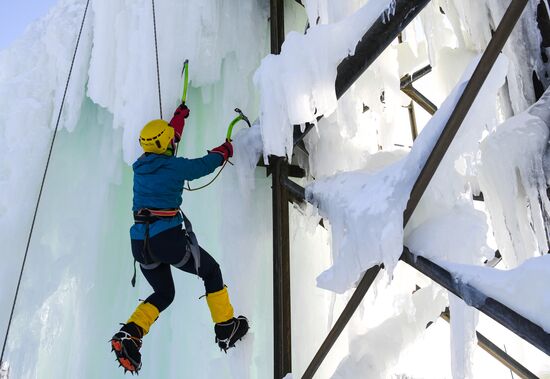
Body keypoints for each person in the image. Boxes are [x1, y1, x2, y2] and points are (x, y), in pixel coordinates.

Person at [110, 103, 249, 374]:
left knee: (164, 293)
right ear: (164, 145)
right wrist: (224, 151)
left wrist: (179, 117)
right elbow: (202, 166)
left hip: (140, 244)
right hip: (167, 239)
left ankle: (130, 334)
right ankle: (225, 328)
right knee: (211, 271)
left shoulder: (141, 166)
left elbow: (168, 138)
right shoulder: (173, 167)